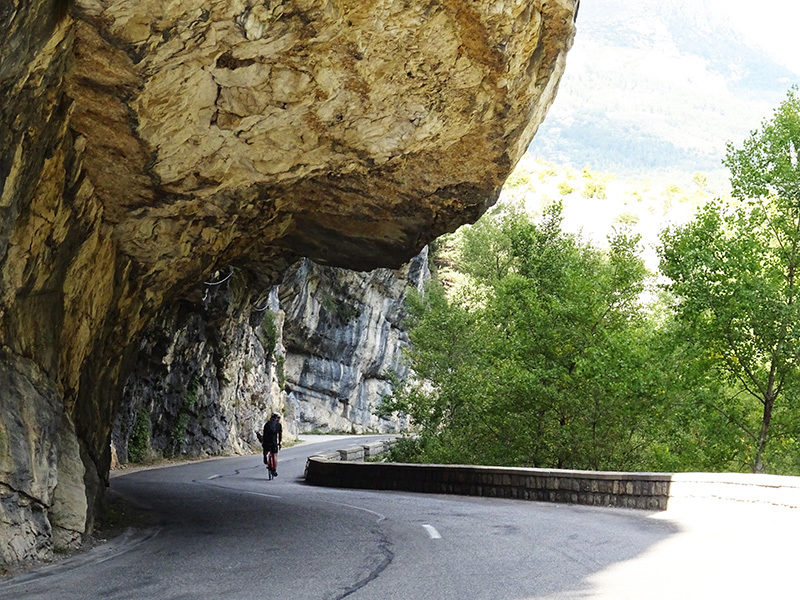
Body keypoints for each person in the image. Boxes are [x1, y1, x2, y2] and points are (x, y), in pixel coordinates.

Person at [262, 413, 283, 477]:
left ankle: (265, 456)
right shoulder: (278, 425)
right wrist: (279, 443)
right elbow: (280, 435)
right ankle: (274, 470)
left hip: (266, 442)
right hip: (274, 442)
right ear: (277, 418)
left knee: (265, 449)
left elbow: (264, 435)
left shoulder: (267, 424)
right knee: (274, 455)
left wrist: (263, 442)